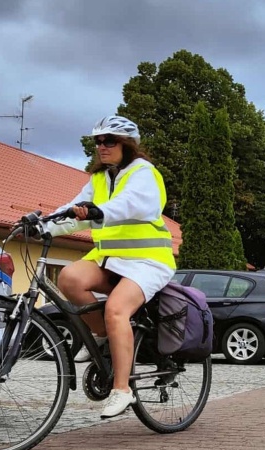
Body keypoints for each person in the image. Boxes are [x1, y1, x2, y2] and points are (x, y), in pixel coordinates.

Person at [46, 115, 176, 418]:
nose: (101, 146)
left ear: (127, 145)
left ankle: (122, 389)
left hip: (147, 261)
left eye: (109, 140)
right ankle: (104, 337)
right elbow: (72, 211)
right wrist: (42, 224)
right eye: (98, 141)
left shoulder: (144, 173)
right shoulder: (99, 179)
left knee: (116, 309)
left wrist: (97, 211)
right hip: (110, 259)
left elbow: (130, 205)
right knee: (69, 278)